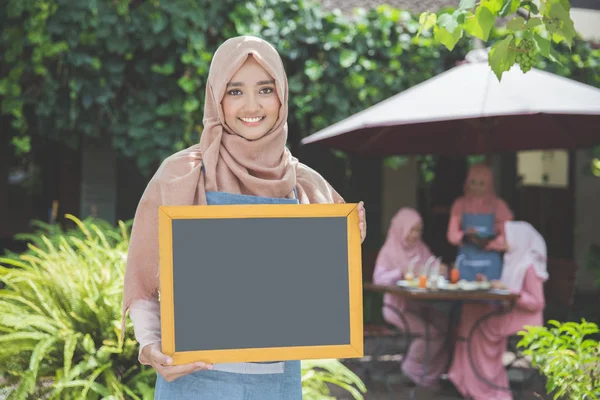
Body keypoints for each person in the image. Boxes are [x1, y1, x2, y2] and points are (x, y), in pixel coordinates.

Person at [121, 36, 367, 399]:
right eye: (235, 91)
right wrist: (150, 346)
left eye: (264, 89)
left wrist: (347, 243)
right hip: (193, 383)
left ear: (281, 96)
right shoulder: (181, 174)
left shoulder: (305, 183)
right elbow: (144, 277)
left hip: (277, 384)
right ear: (216, 98)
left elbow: (313, 288)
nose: (251, 105)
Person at [448, 221, 548, 400]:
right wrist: (489, 282)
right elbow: (509, 290)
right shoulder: (514, 260)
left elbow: (537, 303)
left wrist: (511, 292)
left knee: (477, 322)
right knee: (471, 311)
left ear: (519, 239)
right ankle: (467, 378)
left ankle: (485, 382)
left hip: (525, 319)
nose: (502, 240)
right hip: (512, 312)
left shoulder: (529, 266)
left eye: (506, 236)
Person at [372, 208, 449, 390]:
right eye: (412, 229)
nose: (415, 234)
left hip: (420, 305)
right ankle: (411, 369)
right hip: (396, 308)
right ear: (401, 228)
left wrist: (440, 270)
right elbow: (378, 278)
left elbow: (432, 268)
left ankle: (430, 375)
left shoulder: (420, 248)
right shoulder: (389, 250)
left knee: (446, 328)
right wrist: (401, 272)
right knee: (432, 333)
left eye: (418, 230)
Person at [447, 163, 514, 282]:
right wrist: (465, 235)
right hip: (466, 261)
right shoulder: (459, 204)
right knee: (465, 296)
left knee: (492, 297)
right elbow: (452, 235)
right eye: (473, 182)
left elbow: (510, 236)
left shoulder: (499, 205)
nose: (476, 187)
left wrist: (490, 242)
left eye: (482, 183)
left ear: (489, 184)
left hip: (490, 261)